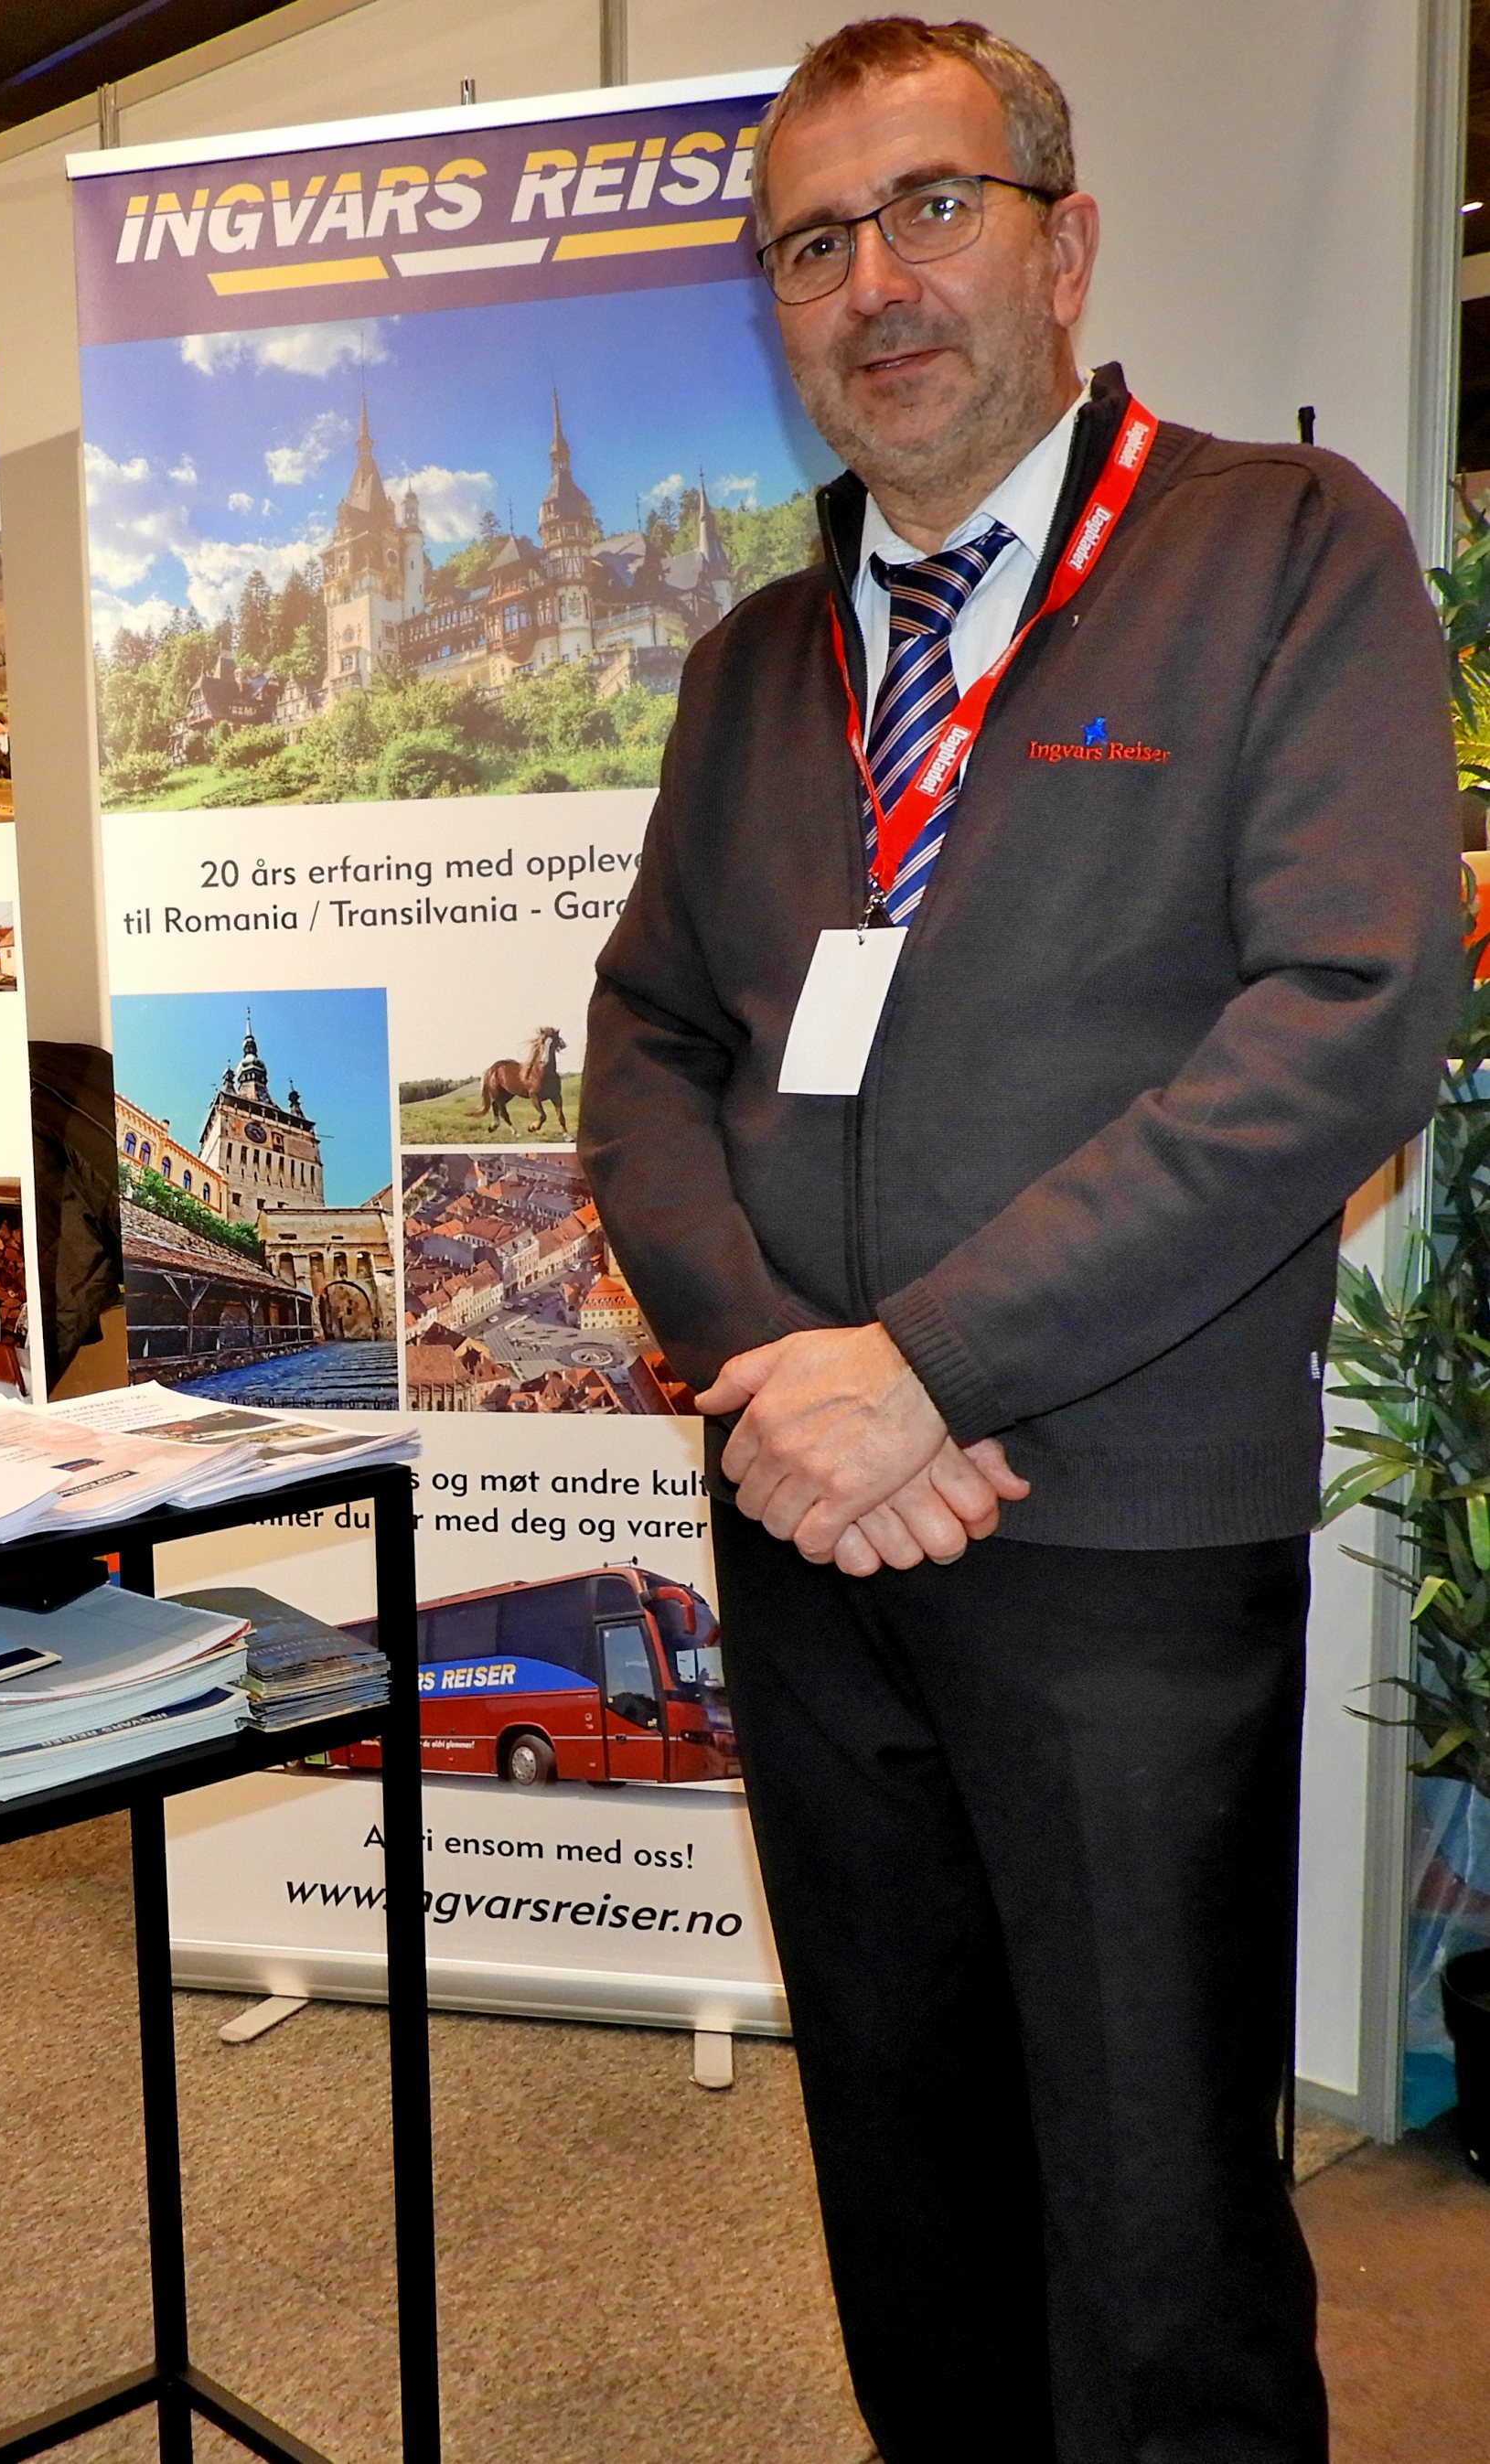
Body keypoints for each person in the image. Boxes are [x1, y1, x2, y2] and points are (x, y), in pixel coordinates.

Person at [579, 22, 1465, 2461]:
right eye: (808, 243)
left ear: (1061, 245)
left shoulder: (1280, 552)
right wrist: (778, 1372)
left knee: (1157, 2234)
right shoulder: (748, 668)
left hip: (1117, 1543)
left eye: (928, 208)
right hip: (810, 1529)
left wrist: (927, 1368)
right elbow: (641, 1047)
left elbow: (1344, 1017)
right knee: (906, 2182)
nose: (872, 282)